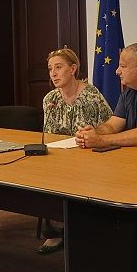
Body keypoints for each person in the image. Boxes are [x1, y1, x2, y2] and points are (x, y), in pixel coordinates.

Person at [38, 47, 112, 254]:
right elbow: (48, 135)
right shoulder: (50, 99)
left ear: (73, 69)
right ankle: (53, 231)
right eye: (50, 69)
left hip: (89, 159)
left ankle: (83, 230)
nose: (53, 73)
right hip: (59, 159)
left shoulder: (91, 96)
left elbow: (109, 128)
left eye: (58, 67)